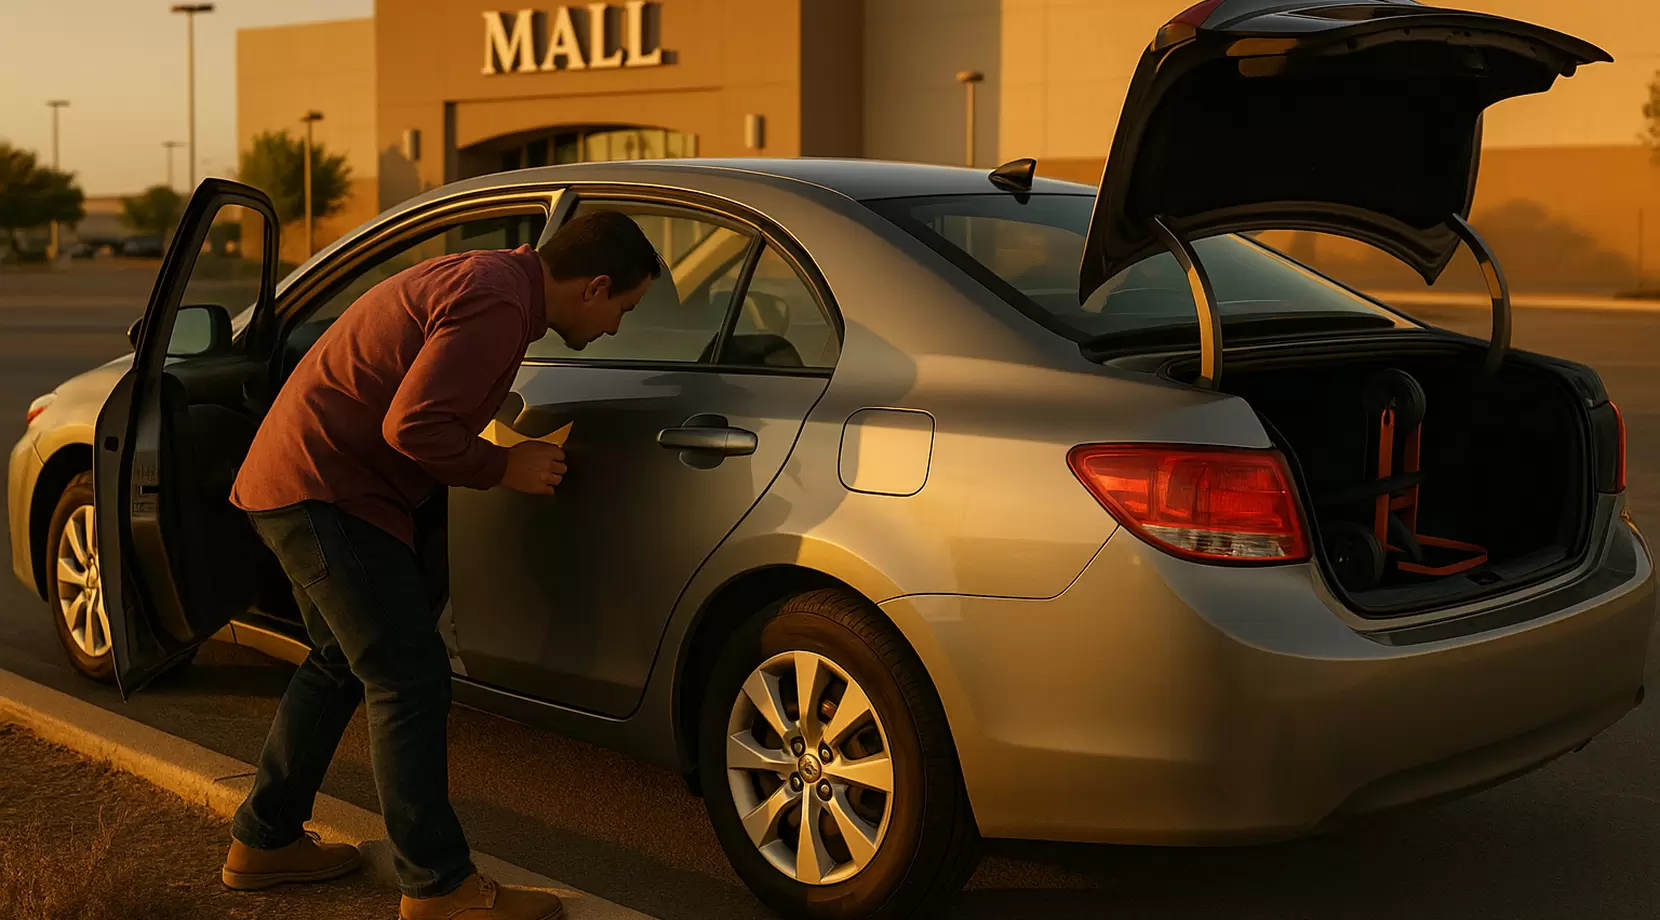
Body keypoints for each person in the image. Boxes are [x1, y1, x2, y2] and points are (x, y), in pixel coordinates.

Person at [218, 210, 663, 920]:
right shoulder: (498, 301)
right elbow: (414, 425)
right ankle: (439, 887)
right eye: (623, 309)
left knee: (340, 660)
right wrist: (503, 465)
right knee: (409, 678)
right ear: (596, 285)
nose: (615, 328)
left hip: (298, 484)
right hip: (328, 495)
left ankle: (264, 841)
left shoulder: (492, 281)